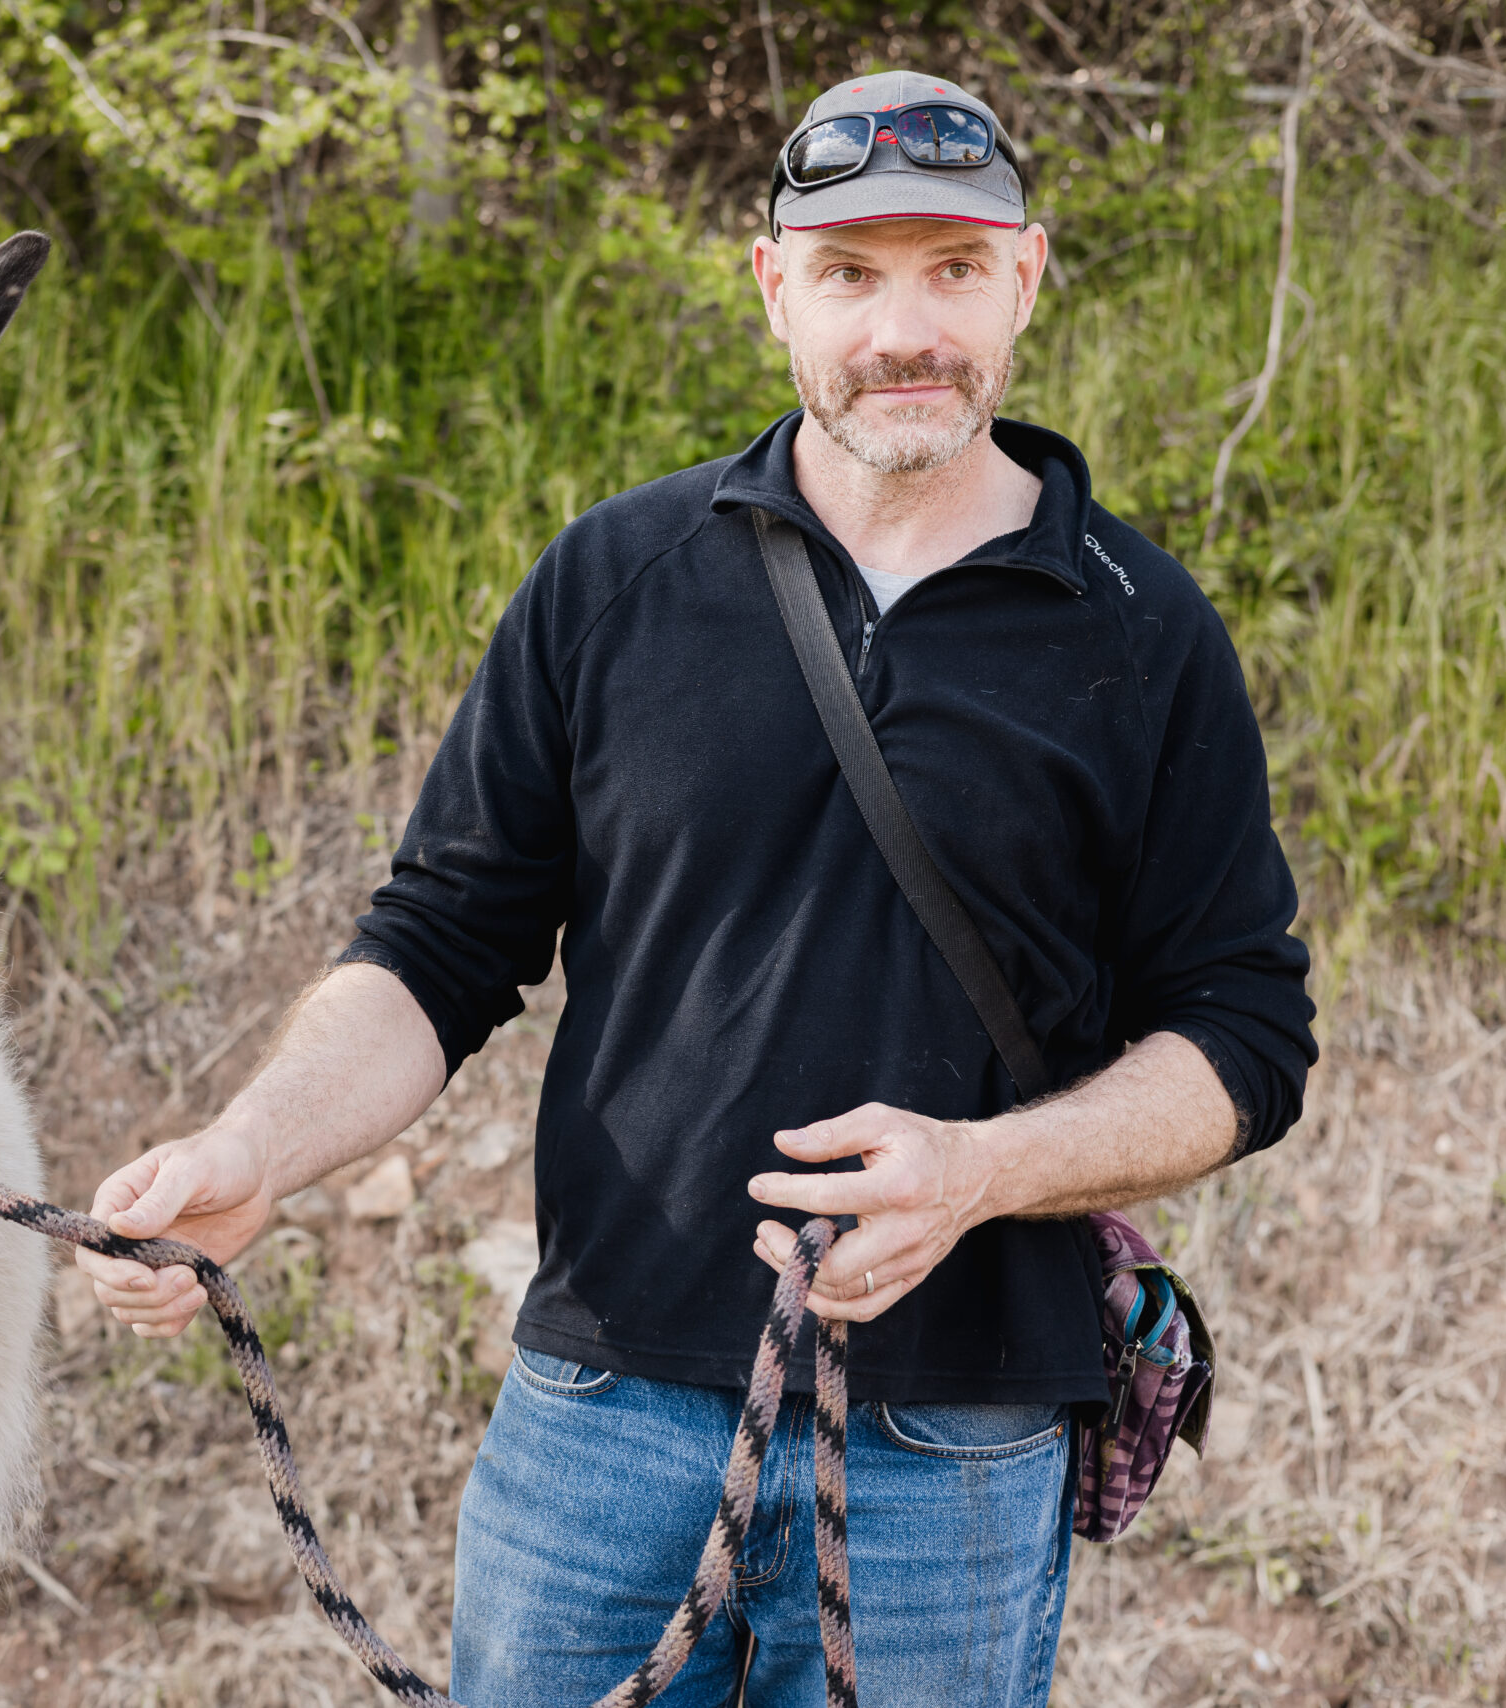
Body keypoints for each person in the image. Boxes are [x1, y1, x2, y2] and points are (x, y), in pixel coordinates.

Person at [76, 68, 1317, 1708]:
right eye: (853, 274)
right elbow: (442, 947)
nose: (904, 331)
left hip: (955, 1447)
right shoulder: (613, 582)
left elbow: (1245, 1034)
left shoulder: (1140, 629)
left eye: (952, 269)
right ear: (773, 284)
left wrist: (984, 1171)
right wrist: (251, 1151)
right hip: (599, 1423)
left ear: (1025, 276)